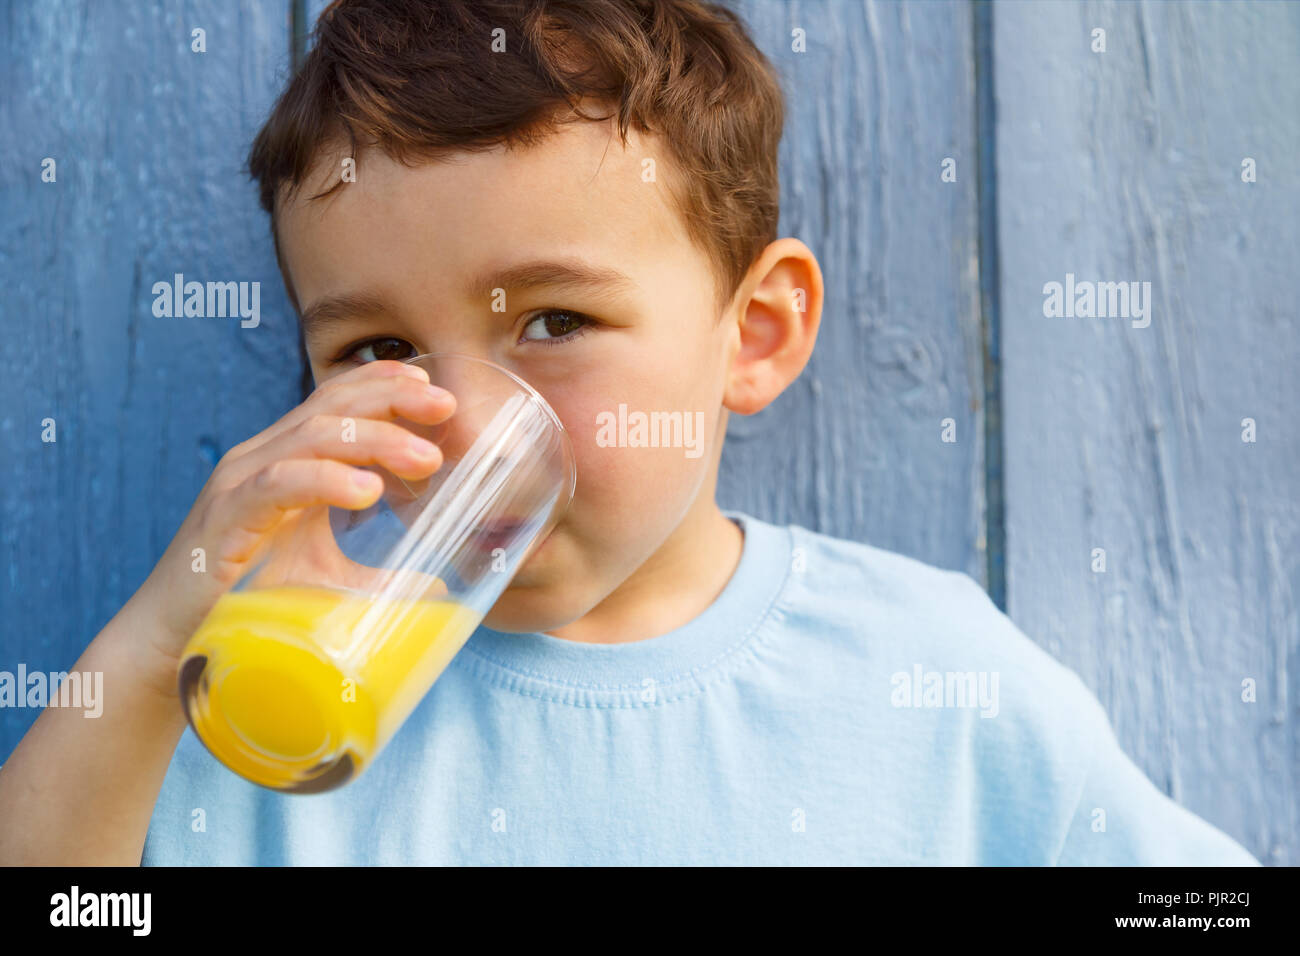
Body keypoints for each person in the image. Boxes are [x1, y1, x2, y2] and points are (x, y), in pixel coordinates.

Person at [0, 0, 1258, 866]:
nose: (461, 421)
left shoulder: (928, 674)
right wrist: (168, 623)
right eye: (376, 351)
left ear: (753, 332)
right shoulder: (292, 693)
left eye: (552, 319)